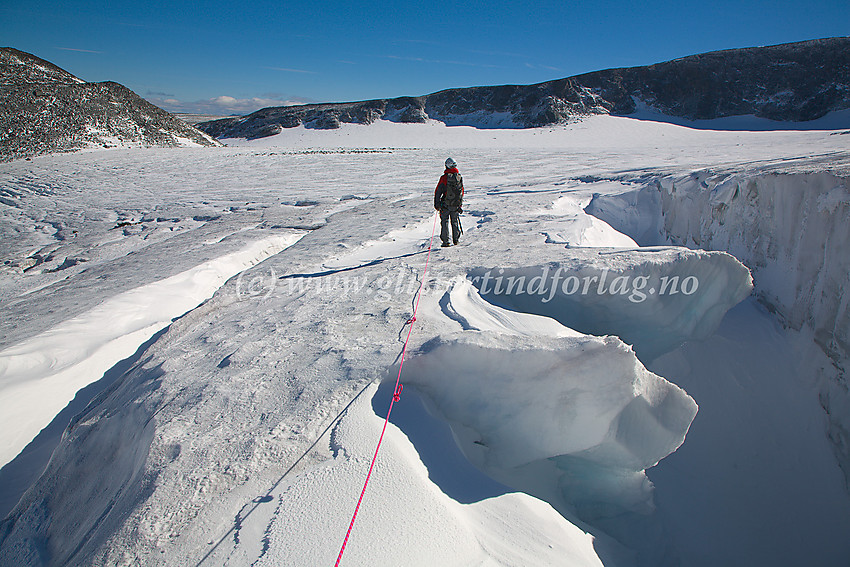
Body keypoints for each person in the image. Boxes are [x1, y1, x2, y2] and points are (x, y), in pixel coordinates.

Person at [434, 157, 464, 247]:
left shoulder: (444, 178)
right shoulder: (459, 177)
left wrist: (437, 203)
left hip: (445, 204)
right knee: (454, 221)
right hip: (455, 204)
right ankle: (456, 240)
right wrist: (460, 203)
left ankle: (445, 241)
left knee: (444, 221)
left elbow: (438, 191)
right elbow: (461, 191)